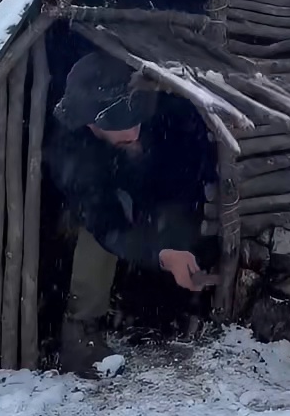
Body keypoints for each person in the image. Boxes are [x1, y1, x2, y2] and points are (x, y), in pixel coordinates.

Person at [45, 50, 207, 377]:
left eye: (136, 121)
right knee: (96, 240)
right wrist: (161, 254)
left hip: (135, 196)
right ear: (90, 122)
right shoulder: (71, 151)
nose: (133, 132)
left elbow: (177, 177)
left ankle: (162, 306)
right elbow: (103, 219)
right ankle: (81, 329)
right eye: (120, 126)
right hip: (84, 216)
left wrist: (173, 242)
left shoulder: (160, 116)